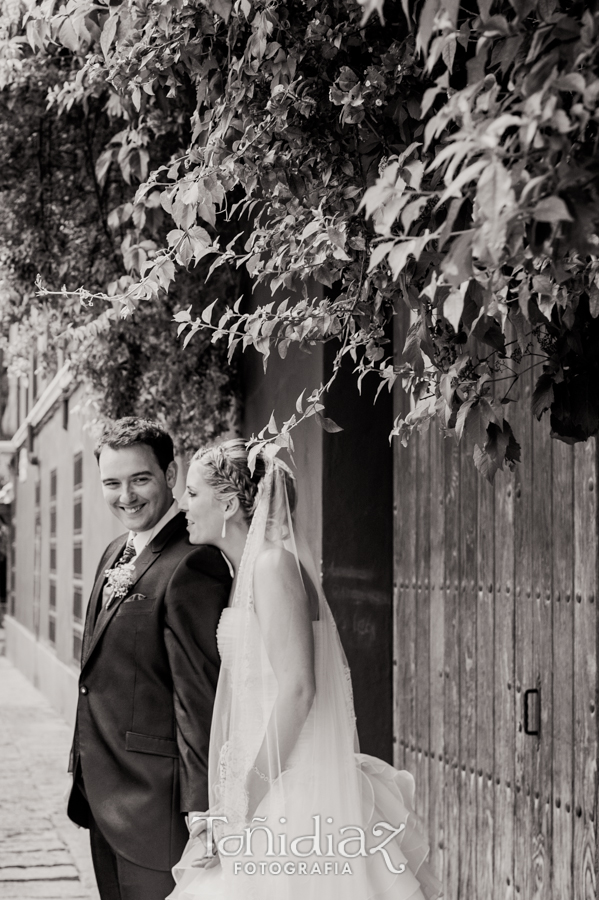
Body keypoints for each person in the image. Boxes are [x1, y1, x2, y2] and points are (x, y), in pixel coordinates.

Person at [169, 438, 443, 900]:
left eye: (192, 493)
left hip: (291, 786)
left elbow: (298, 691)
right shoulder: (250, 571)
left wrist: (244, 802)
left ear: (230, 503)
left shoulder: (273, 567)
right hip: (263, 775)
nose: (182, 504)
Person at [66, 417, 232, 900]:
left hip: (157, 805)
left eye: (139, 479)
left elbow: (198, 693)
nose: (126, 496)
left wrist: (202, 811)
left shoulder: (192, 561)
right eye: (112, 483)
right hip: (101, 793)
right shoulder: (115, 551)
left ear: (171, 473)